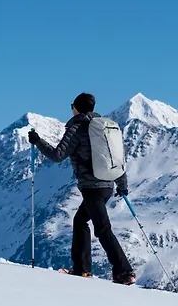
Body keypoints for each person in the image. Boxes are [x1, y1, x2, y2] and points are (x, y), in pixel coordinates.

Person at [28, 93, 136, 285]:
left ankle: (124, 272)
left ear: (76, 108)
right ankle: (82, 269)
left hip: (92, 187)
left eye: (72, 105)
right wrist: (122, 185)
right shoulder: (105, 128)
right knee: (80, 220)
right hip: (107, 185)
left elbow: (57, 155)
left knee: (103, 229)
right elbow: (116, 158)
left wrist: (37, 141)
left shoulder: (77, 129)